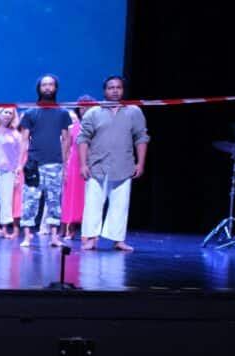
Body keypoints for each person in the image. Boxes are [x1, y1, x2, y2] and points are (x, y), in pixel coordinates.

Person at [79, 76, 150, 251]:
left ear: (123, 90)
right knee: (93, 204)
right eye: (111, 88)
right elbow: (83, 139)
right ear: (105, 91)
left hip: (123, 164)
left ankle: (117, 239)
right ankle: (91, 238)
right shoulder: (93, 112)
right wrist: (83, 164)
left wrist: (140, 163)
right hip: (97, 165)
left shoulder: (133, 111)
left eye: (118, 87)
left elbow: (141, 137)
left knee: (120, 204)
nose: (115, 90)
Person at [18, 75, 72, 248]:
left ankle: (54, 237)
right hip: (34, 163)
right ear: (39, 88)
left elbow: (66, 140)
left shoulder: (63, 113)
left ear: (55, 88)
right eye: (44, 85)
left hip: (55, 163)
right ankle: (27, 236)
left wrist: (64, 164)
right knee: (30, 201)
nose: (47, 88)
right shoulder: (31, 113)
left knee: (54, 201)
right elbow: (24, 140)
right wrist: (20, 164)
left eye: (51, 85)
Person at [61, 96, 97, 240]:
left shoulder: (97, 126)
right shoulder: (73, 127)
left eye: (88, 107)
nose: (85, 110)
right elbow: (67, 147)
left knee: (89, 199)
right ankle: (70, 229)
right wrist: (64, 166)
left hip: (92, 164)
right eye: (82, 107)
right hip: (75, 165)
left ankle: (88, 232)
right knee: (71, 198)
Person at [0, 107, 22, 240]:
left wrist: (17, 171)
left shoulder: (15, 134)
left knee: (6, 201)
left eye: (10, 113)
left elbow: (20, 153)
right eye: (5, 112)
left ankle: (4, 229)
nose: (8, 115)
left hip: (8, 171)